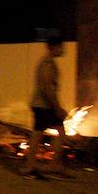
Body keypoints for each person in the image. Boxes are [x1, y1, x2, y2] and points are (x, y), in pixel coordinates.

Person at [21, 36, 70, 180]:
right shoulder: (48, 64)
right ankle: (34, 167)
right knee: (46, 135)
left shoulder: (47, 63)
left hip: (42, 105)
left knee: (40, 135)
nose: (62, 50)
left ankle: (36, 166)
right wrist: (57, 108)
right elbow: (47, 88)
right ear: (53, 47)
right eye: (61, 47)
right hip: (44, 105)